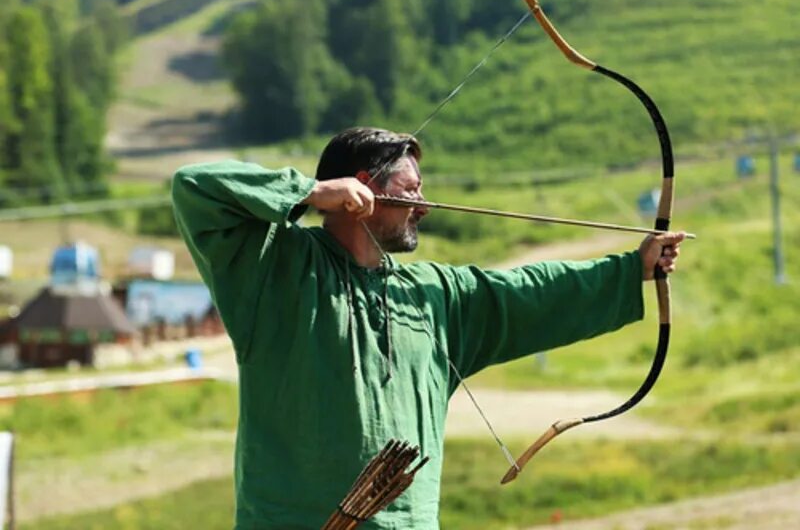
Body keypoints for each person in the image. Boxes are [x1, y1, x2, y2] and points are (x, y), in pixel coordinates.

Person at [171, 127, 684, 529]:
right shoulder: (276, 272)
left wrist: (631, 268)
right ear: (362, 191)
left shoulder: (437, 296)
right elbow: (194, 186)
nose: (425, 204)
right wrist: (310, 191)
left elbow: (529, 292)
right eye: (410, 189)